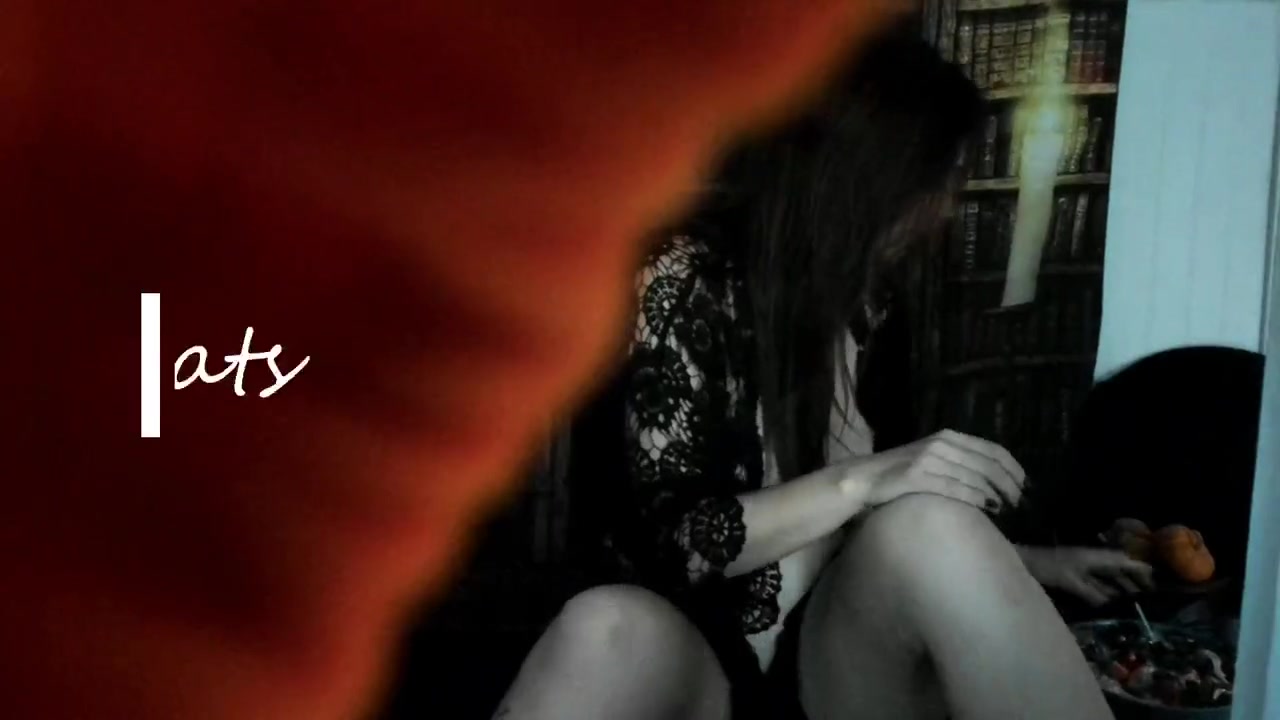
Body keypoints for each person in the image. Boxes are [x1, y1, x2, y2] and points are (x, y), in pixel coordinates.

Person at [494, 30, 1114, 720]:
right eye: (940, 180)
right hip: (692, 661)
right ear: (874, 178)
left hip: (835, 661)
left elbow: (893, 534)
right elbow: (677, 546)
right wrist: (861, 479)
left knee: (931, 525)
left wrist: (1025, 564)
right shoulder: (686, 284)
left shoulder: (878, 306)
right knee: (602, 625)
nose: (946, 209)